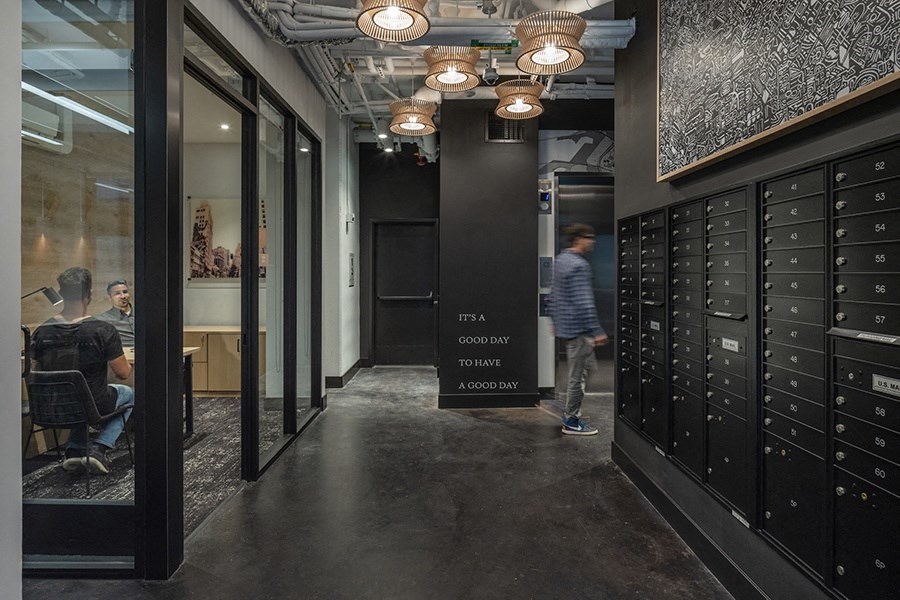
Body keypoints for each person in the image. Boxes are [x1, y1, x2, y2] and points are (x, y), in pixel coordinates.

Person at [31, 267, 133, 474]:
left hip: (51, 406)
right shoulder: (102, 330)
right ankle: (99, 448)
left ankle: (74, 450)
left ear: (61, 294)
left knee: (78, 394)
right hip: (92, 404)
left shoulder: (42, 331)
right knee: (129, 394)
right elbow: (123, 373)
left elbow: (36, 371)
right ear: (88, 295)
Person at [548, 223, 609, 436]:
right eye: (589, 238)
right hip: (580, 330)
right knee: (579, 376)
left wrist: (555, 321)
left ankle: (571, 407)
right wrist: (597, 330)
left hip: (568, 327)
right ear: (579, 239)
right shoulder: (578, 264)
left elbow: (552, 296)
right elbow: (584, 302)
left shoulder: (560, 261)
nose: (591, 242)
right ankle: (572, 420)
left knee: (587, 368)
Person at [94, 278, 135, 346]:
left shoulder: (142, 314)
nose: (123, 296)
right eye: (117, 293)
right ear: (110, 298)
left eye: (125, 292)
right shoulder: (101, 320)